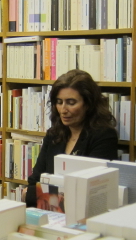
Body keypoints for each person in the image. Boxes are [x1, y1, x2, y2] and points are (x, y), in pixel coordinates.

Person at [25, 69, 119, 208]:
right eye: (59, 102)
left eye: (71, 102)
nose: (63, 109)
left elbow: (90, 193)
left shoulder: (103, 136)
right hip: (47, 214)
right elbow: (34, 181)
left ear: (88, 104)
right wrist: (39, 193)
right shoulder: (54, 134)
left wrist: (37, 194)